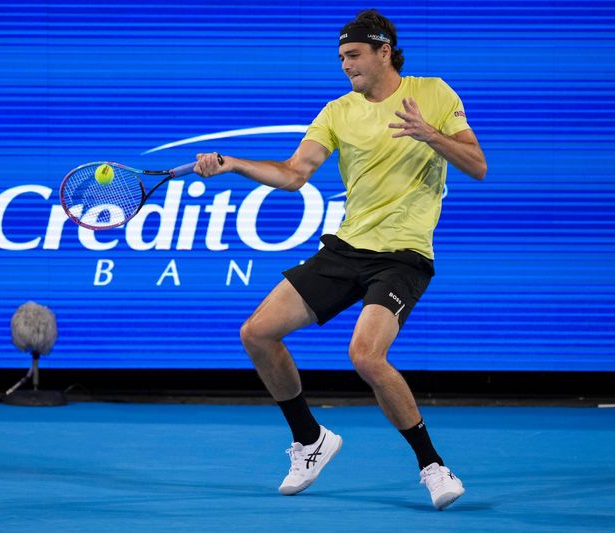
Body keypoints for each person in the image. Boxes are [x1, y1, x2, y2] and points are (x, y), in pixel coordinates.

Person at [193, 9, 486, 510]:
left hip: (403, 255)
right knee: (257, 333)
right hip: (348, 248)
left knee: (366, 355)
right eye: (341, 57)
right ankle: (310, 439)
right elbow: (294, 173)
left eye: (353, 55)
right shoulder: (337, 111)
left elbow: (477, 165)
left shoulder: (434, 93)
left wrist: (430, 134)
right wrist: (234, 164)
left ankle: (433, 466)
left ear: (384, 51)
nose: (346, 65)